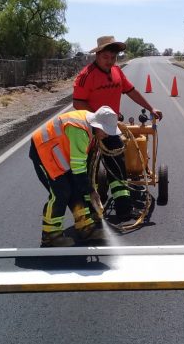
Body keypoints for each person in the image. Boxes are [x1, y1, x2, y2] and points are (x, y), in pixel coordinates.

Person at [73, 35, 163, 219]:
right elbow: (78, 102)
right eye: (106, 57)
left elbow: (131, 92)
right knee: (89, 170)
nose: (110, 61)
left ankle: (124, 209)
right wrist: (96, 125)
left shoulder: (117, 72)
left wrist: (150, 107)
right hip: (89, 128)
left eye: (113, 57)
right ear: (97, 55)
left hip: (111, 127)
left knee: (118, 166)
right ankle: (92, 213)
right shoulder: (86, 76)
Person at [29, 106, 119, 247]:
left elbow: (82, 168)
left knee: (76, 190)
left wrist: (89, 189)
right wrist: (91, 191)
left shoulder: (90, 125)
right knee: (61, 193)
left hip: (59, 153)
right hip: (44, 151)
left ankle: (86, 229)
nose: (107, 135)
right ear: (97, 125)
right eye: (106, 131)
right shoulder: (80, 131)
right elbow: (79, 170)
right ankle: (50, 236)